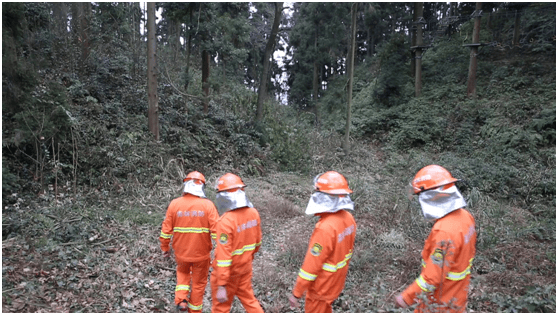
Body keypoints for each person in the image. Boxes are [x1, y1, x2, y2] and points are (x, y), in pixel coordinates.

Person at [395, 165, 476, 312]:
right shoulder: (466, 217)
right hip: (457, 299)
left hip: (438, 304)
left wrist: (406, 298)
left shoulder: (444, 231)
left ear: (430, 197)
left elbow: (432, 278)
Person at [288, 171, 357, 313]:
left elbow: (311, 267)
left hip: (321, 289)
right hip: (336, 283)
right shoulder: (349, 218)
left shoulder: (325, 228)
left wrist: (297, 293)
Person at [159, 171, 220, 312]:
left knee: (182, 274)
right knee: (198, 284)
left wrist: (165, 248)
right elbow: (219, 232)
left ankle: (181, 300)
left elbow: (165, 230)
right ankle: (195, 311)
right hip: (201, 256)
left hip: (181, 254)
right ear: (202, 187)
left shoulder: (174, 204)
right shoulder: (208, 206)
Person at [210, 173, 264, 313]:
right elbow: (257, 243)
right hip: (245, 268)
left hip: (228, 274)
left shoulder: (225, 222)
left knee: (220, 309)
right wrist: (247, 258)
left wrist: (221, 285)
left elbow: (223, 256)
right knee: (250, 301)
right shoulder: (253, 213)